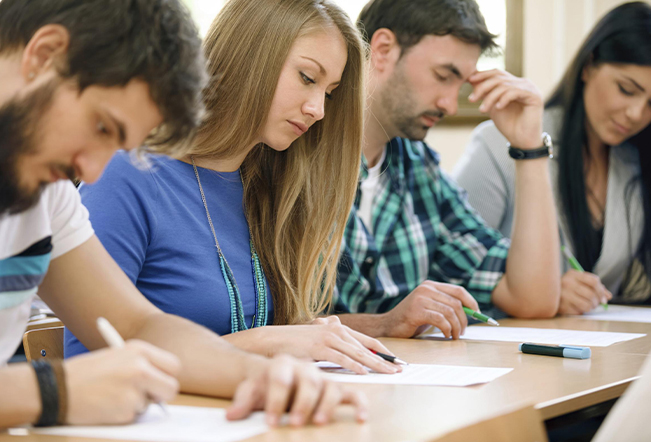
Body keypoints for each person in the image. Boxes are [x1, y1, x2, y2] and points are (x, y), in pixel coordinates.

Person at [0, 0, 366, 430]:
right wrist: (55, 391)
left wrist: (261, 374)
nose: (92, 171)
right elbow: (83, 364)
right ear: (44, 56)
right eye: (102, 127)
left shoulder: (47, 192)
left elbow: (138, 323)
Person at [63, 0, 399, 377]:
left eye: (330, 92)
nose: (318, 109)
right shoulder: (129, 174)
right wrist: (266, 343)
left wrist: (306, 334)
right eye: (307, 77)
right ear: (250, 57)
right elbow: (89, 361)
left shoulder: (273, 186)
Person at [333, 0, 562, 340]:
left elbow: (533, 299)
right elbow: (261, 321)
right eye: (443, 76)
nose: (450, 105)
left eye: (462, 85)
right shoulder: (297, 153)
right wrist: (382, 325)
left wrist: (529, 148)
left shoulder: (418, 167)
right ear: (382, 49)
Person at [454, 2, 651, 314]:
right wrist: (542, 289)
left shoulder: (635, 159)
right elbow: (447, 271)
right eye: (626, 90)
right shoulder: (499, 142)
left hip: (595, 347)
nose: (636, 113)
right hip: (507, 347)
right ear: (589, 66)